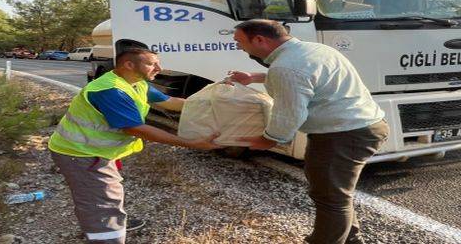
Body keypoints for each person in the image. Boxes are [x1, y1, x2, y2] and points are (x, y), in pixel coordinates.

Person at [229, 19, 389, 244]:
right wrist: (255, 77)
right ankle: (352, 240)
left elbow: (290, 114)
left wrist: (268, 140)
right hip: (361, 126)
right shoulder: (313, 49)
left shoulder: (285, 67)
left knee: (330, 198)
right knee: (335, 194)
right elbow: (306, 79)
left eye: (239, 42)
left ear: (259, 40)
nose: (239, 47)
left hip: (342, 134)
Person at [48, 47, 220, 244]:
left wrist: (214, 102)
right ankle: (106, 234)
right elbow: (137, 129)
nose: (159, 68)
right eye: (151, 64)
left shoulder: (137, 84)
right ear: (129, 64)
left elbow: (171, 101)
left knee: (102, 197)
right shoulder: (111, 90)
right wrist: (191, 143)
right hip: (80, 154)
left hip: (94, 151)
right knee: (102, 201)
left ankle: (105, 225)